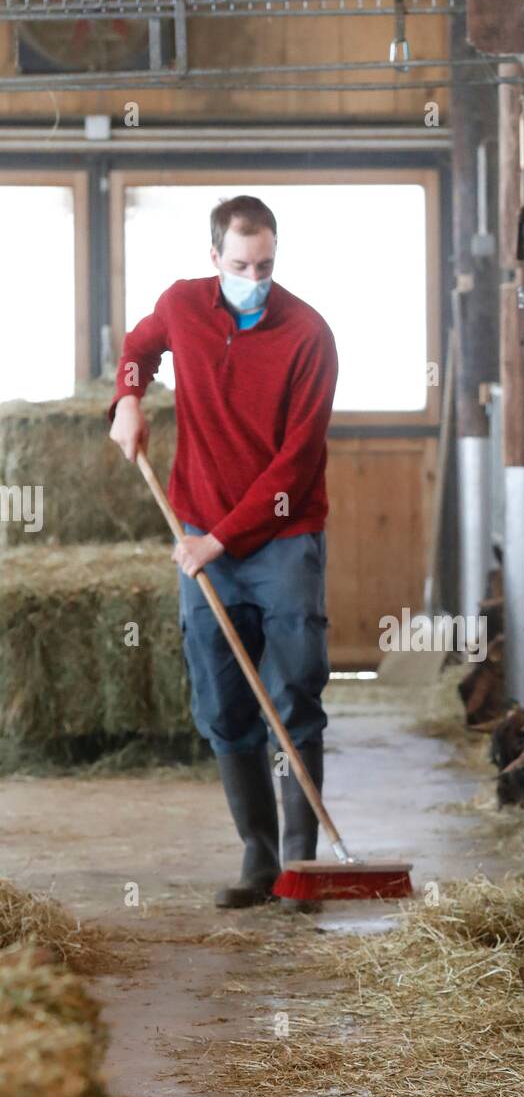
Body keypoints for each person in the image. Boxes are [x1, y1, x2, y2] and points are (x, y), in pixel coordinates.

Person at [109, 194, 338, 910]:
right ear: (215, 258)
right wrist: (128, 399)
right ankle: (258, 856)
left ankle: (301, 864)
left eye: (266, 264)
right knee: (220, 696)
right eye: (240, 264)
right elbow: (138, 349)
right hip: (202, 534)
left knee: (295, 687)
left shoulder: (308, 334)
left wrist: (220, 539)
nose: (254, 275)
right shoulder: (182, 305)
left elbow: (296, 465)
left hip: (281, 536)